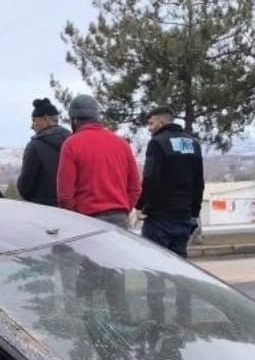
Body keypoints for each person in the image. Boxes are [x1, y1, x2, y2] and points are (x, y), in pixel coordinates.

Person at [55, 93, 142, 227]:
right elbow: (135, 188)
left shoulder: (71, 144)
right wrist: (123, 210)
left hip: (86, 221)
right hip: (120, 220)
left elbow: (65, 195)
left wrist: (76, 218)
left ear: (74, 120)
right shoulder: (121, 144)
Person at [136, 106, 205, 257]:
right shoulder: (192, 144)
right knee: (178, 267)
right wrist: (194, 212)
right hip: (184, 217)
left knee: (155, 266)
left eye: (151, 124)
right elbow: (198, 182)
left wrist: (141, 205)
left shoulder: (157, 143)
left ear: (161, 123)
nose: (149, 128)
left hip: (160, 218)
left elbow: (151, 179)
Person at [17, 98, 70, 206]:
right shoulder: (72, 142)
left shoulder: (35, 147)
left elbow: (25, 188)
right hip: (74, 213)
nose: (32, 126)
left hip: (44, 212)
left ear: (45, 119)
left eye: (34, 120)